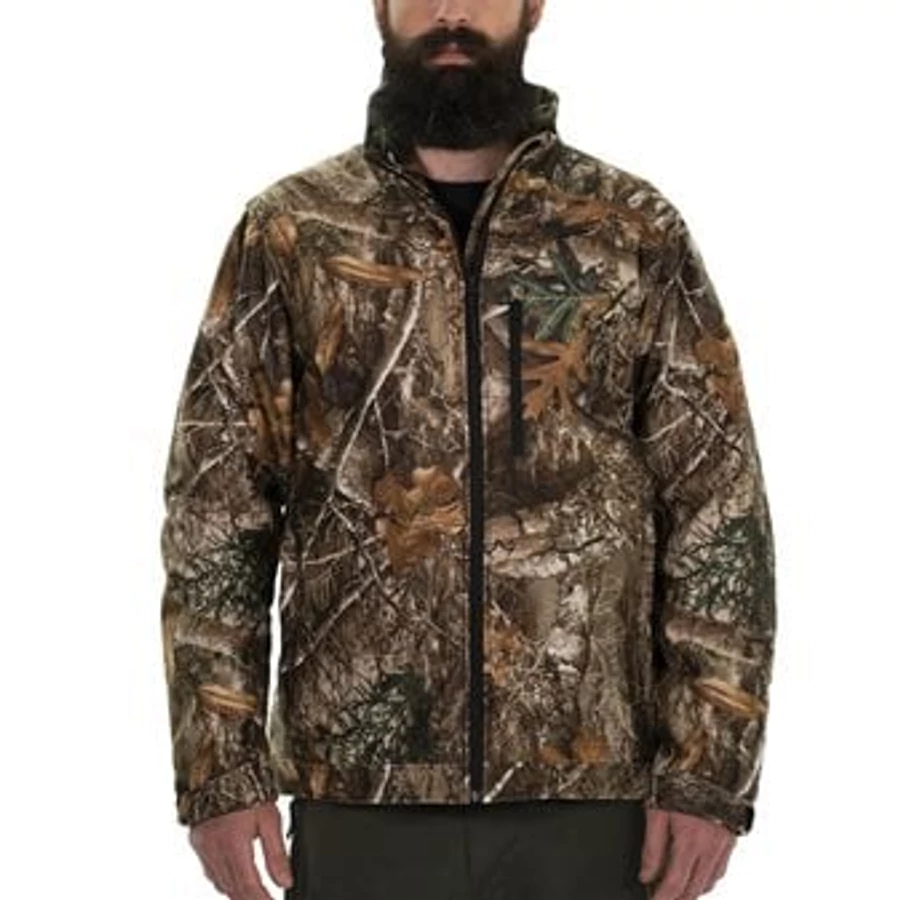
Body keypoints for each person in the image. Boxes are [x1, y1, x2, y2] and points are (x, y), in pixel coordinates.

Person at [158, 1, 777, 899]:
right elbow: (219, 508)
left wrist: (709, 771)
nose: (450, 12)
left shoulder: (629, 231)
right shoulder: (293, 231)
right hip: (360, 790)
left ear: (533, 5)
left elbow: (717, 502)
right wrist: (219, 769)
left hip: (591, 793)